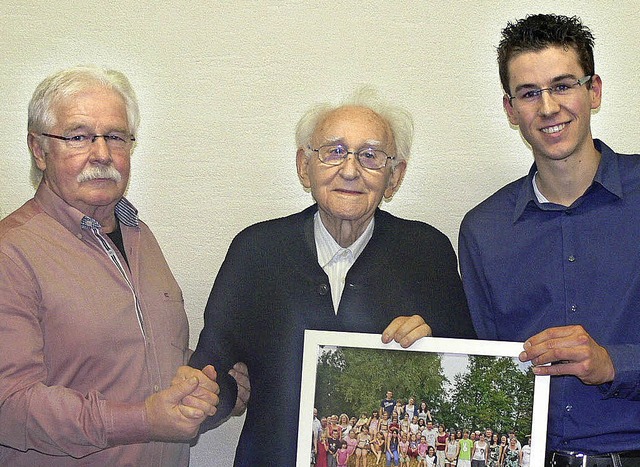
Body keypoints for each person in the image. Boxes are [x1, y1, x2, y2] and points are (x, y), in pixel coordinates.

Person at [189, 88, 476, 465]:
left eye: (371, 156)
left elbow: (468, 366)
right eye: (334, 151)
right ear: (304, 166)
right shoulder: (256, 250)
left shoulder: (427, 252)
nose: (350, 169)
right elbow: (216, 369)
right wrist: (204, 397)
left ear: (395, 177)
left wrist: (431, 346)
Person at [0, 66, 220, 465]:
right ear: (38, 149)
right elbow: (10, 406)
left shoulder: (140, 236)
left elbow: (142, 358)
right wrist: (144, 419)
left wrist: (206, 378)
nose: (101, 153)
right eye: (78, 136)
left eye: (115, 136)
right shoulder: (10, 253)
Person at [458, 13, 640, 465]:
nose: (547, 107)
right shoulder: (483, 229)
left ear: (593, 91)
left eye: (562, 85)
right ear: (509, 108)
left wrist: (613, 364)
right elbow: (485, 365)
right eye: (529, 93)